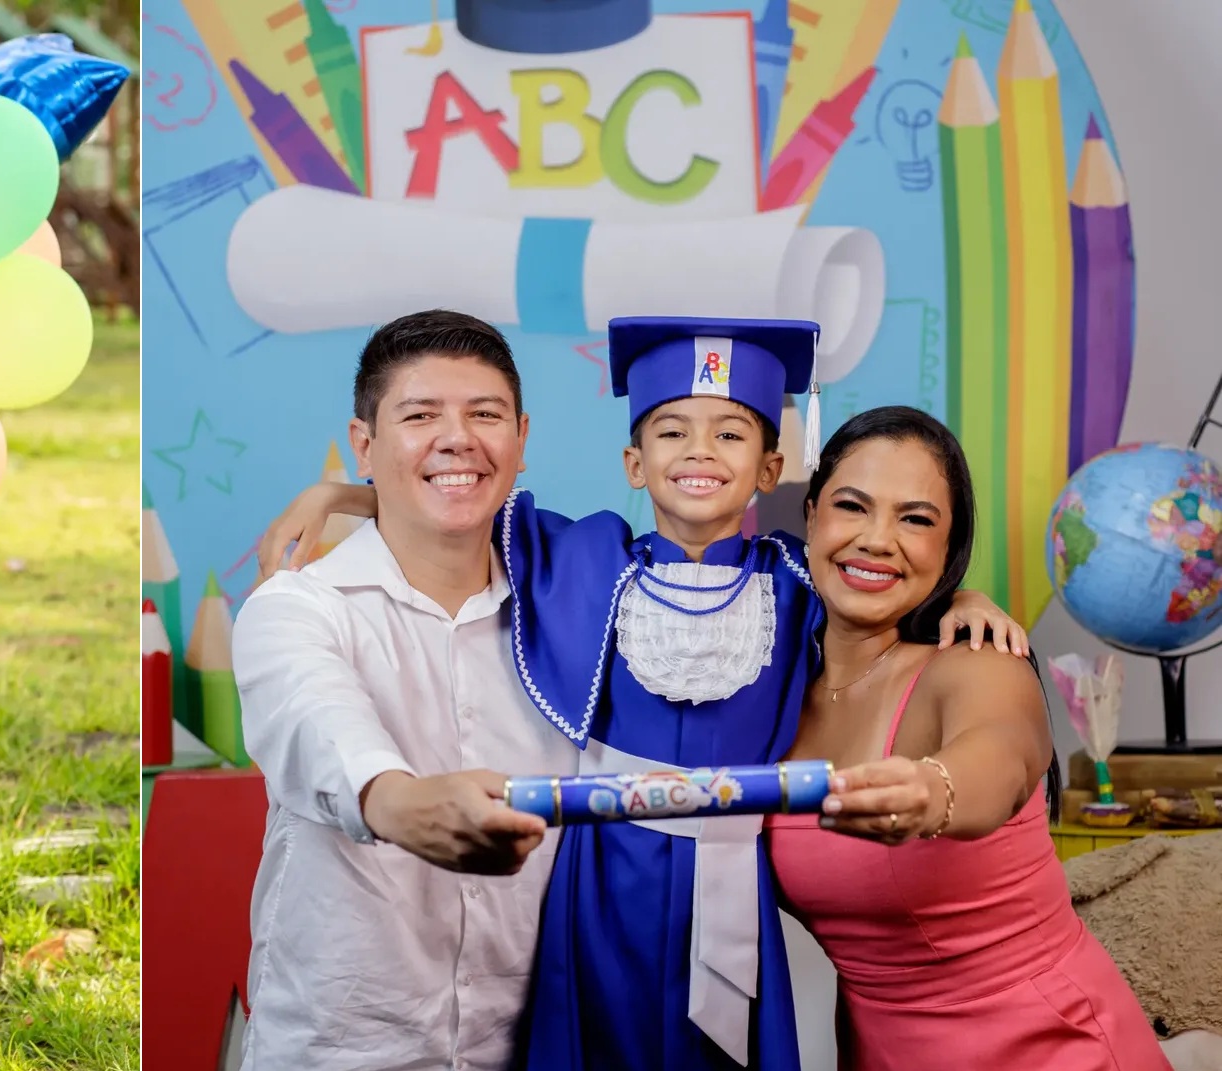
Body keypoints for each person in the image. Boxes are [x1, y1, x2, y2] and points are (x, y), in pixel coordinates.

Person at [258, 316, 1023, 1070]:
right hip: (599, 875)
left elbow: (878, 573)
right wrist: (343, 493)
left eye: (730, 433)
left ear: (769, 467)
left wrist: (960, 599)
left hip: (732, 873)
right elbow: (455, 506)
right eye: (672, 432)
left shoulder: (795, 575)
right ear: (633, 461)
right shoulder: (578, 556)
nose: (699, 452)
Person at [770, 406, 1169, 1071]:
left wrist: (934, 790)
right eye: (852, 505)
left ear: (950, 548)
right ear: (811, 514)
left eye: (916, 519)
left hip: (1050, 1047)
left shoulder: (977, 661)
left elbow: (1004, 750)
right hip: (880, 1051)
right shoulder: (771, 676)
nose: (876, 538)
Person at [230, 311, 576, 1070]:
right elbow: (321, 729)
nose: (457, 437)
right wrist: (398, 803)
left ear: (520, 438)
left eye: (483, 415)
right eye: (419, 416)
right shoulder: (295, 608)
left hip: (531, 1045)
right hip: (341, 1049)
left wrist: (347, 494)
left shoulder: (572, 610)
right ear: (364, 443)